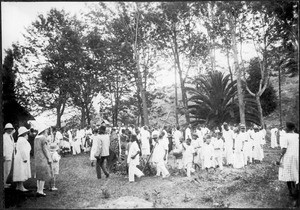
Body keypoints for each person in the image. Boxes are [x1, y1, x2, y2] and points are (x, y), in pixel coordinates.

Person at [278, 122, 299, 200]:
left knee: (288, 174)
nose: (285, 128)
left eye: (286, 127)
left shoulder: (285, 136)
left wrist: (279, 158)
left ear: (288, 128)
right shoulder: (297, 136)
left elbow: (284, 149)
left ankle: (291, 192)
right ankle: (296, 189)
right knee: (296, 172)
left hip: (288, 157)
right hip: (297, 156)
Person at [34, 124, 52, 197]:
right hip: (43, 157)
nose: (47, 131)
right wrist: (49, 158)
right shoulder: (43, 138)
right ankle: (41, 191)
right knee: (43, 174)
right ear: (44, 131)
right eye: (46, 130)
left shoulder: (36, 138)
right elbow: (45, 149)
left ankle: (39, 189)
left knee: (39, 174)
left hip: (37, 158)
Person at [13, 127, 31, 191]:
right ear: (23, 133)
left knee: (20, 171)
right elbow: (22, 150)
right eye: (26, 133)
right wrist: (24, 158)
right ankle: (21, 186)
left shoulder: (21, 139)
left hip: (20, 157)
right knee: (21, 172)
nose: (27, 134)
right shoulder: (22, 140)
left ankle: (18, 186)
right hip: (21, 158)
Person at [3, 123, 15, 188]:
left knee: (8, 170)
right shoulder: (4, 137)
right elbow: (3, 146)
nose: (10, 130)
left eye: (11, 129)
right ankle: (3, 184)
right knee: (5, 170)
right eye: (8, 129)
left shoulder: (11, 136)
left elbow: (12, 145)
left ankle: (4, 182)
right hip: (6, 155)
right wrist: (4, 155)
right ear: (6, 129)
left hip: (10, 155)